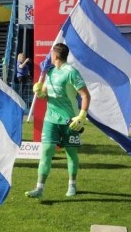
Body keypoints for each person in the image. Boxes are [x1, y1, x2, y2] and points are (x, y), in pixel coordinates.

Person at [25, 43, 91, 199]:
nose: (49, 56)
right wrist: (39, 92)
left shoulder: (71, 72)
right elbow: (46, 96)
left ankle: (72, 185)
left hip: (70, 121)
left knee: (71, 154)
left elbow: (85, 95)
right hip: (51, 120)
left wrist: (81, 116)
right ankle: (39, 188)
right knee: (46, 152)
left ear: (55, 56)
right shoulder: (50, 72)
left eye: (50, 53)